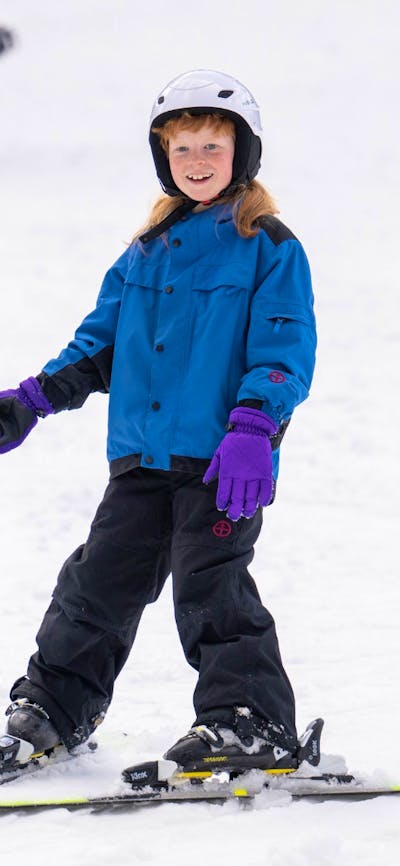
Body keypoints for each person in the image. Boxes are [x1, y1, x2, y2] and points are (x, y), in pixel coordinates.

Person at [0, 69, 317, 773]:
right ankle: (51, 710)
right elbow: (100, 346)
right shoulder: (144, 251)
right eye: (182, 150)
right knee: (95, 584)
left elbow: (283, 345)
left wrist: (252, 429)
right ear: (162, 159)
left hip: (219, 463)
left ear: (242, 153)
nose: (197, 162)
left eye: (212, 147)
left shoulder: (268, 245)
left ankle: (250, 721)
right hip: (140, 458)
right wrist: (31, 399)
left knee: (212, 588)